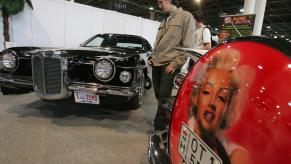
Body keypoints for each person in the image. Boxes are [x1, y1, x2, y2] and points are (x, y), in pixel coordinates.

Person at [187, 49, 251, 164]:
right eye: (207, 91)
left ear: (227, 109)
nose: (212, 102)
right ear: (197, 97)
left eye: (221, 97)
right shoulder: (186, 127)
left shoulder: (236, 156)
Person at [148, 0, 195, 130]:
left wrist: (176, 63)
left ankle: (160, 126)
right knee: (158, 93)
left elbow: (188, 44)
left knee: (163, 95)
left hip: (170, 63)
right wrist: (152, 56)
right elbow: (158, 41)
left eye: (161, 2)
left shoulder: (186, 16)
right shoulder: (164, 19)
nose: (159, 5)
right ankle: (168, 115)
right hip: (157, 61)